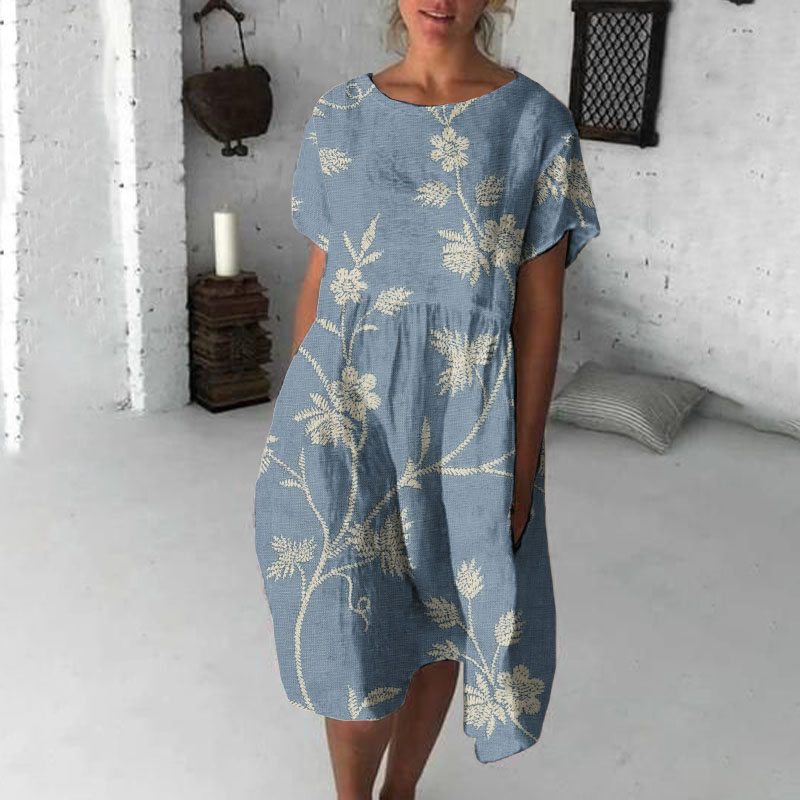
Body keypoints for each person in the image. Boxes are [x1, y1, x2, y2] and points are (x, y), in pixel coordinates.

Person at [254, 1, 601, 797]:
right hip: (343, 410)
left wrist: (520, 464)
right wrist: (300, 416)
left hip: (463, 420)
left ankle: (401, 790)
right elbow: (320, 277)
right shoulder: (339, 114)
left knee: (441, 616)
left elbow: (538, 309)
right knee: (348, 621)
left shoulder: (534, 123)